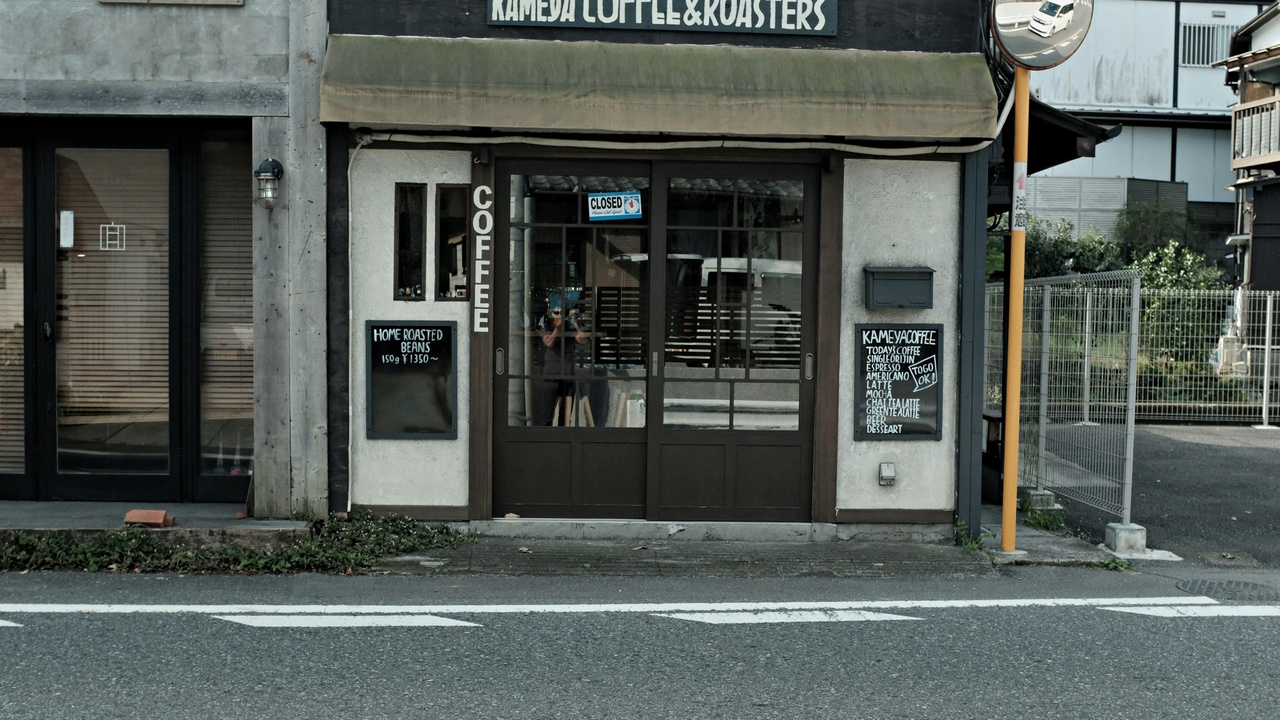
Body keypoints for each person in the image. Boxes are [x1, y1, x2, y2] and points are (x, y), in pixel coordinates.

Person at [537, 298, 590, 425]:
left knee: (565, 415)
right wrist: (557, 328)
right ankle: (547, 437)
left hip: (567, 374)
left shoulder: (569, 328)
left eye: (560, 314)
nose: (558, 317)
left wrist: (575, 322)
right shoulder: (544, 325)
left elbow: (583, 340)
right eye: (555, 314)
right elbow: (548, 342)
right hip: (551, 375)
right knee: (548, 413)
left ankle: (563, 436)